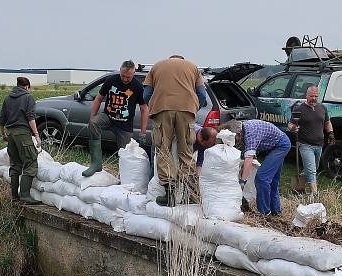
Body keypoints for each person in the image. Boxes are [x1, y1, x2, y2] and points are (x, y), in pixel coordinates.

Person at [143, 55, 207, 206]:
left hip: (162, 109)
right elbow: (202, 95)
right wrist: (193, 107)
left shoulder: (156, 66)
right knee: (186, 152)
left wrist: (154, 106)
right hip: (187, 110)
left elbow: (146, 95)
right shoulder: (193, 67)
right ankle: (188, 195)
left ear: (170, 59)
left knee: (163, 149)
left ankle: (169, 194)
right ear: (182, 59)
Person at [82, 60, 149, 177]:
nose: (125, 79)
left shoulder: (137, 86)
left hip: (125, 125)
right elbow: (98, 98)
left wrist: (143, 132)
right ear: (120, 71)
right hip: (108, 117)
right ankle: (96, 164)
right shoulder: (111, 80)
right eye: (123, 75)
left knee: (125, 155)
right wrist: (92, 117)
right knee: (94, 122)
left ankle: (125, 177)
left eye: (128, 77)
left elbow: (144, 108)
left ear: (133, 74)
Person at [220, 119, 291, 215]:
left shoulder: (250, 134)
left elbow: (248, 159)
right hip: (276, 144)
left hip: (280, 145)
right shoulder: (244, 129)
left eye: (234, 138)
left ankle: (264, 212)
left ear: (238, 134)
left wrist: (242, 182)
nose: (235, 141)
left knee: (262, 178)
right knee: (272, 180)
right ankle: (276, 211)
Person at [0, 77, 41, 204]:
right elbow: (30, 117)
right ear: (27, 86)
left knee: (15, 164)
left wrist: (3, 134)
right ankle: (25, 195)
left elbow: (1, 119)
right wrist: (37, 135)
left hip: (10, 133)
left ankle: (14, 196)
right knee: (31, 162)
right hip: (22, 133)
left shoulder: (8, 98)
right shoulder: (28, 97)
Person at [288, 85, 335, 197]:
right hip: (305, 144)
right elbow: (290, 124)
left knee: (313, 168)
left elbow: (327, 122)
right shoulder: (299, 109)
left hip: (319, 144)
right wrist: (294, 128)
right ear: (306, 95)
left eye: (316, 96)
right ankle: (315, 194)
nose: (314, 98)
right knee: (312, 170)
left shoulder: (322, 108)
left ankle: (297, 187)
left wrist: (331, 133)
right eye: (311, 96)